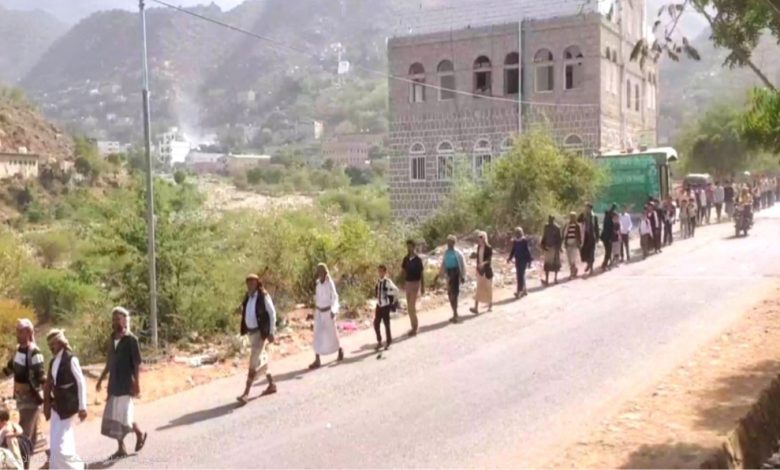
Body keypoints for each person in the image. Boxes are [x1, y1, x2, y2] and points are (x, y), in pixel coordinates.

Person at [96, 307, 148, 458]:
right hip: (114, 384)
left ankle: (139, 433)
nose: (116, 322)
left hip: (126, 383)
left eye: (118, 319)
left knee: (124, 416)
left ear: (125, 321)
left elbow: (136, 364)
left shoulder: (131, 340)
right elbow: (109, 362)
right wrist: (101, 379)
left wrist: (137, 383)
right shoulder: (112, 339)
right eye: (114, 319)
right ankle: (121, 448)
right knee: (114, 416)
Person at [43, 329, 87, 470]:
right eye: (49, 345)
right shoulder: (53, 362)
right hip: (56, 407)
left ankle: (79, 466)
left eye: (53, 344)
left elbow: (81, 382)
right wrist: (46, 405)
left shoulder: (71, 359)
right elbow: (49, 384)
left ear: (60, 343)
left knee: (59, 449)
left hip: (68, 406)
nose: (51, 348)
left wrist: (83, 407)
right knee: (56, 446)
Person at [231, 275, 277, 403]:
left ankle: (246, 393)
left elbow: (272, 313)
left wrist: (271, 332)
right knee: (261, 360)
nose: (250, 285)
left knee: (253, 362)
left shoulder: (263, 296)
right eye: (248, 283)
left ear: (257, 283)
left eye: (252, 283)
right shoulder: (248, 297)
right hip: (251, 334)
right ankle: (272, 384)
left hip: (260, 333)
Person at [2, 320, 45, 455]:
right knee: (31, 434)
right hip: (20, 399)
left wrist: (49, 399)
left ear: (28, 332)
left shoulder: (34, 352)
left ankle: (23, 461)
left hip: (31, 399)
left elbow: (41, 376)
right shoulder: (18, 350)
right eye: (17, 331)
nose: (18, 334)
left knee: (24, 435)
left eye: (20, 332)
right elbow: (9, 369)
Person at [310, 264, 344, 369]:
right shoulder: (318, 284)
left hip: (328, 313)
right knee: (317, 335)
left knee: (332, 334)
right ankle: (317, 359)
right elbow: (317, 298)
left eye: (322, 271)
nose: (320, 274)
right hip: (319, 313)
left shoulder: (329, 283)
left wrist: (334, 310)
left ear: (325, 272)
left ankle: (339, 349)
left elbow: (335, 297)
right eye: (318, 272)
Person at [439, 235, 466, 324]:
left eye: (450, 242)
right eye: (448, 242)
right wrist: (440, 274)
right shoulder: (446, 253)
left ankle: (455, 314)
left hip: (456, 274)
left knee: (454, 294)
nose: (448, 244)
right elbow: (444, 263)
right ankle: (454, 313)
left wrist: (463, 276)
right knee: (449, 294)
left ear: (454, 243)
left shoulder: (458, 253)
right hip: (449, 275)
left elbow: (462, 265)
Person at [401, 240, 424, 337]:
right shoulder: (406, 259)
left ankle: (415, 327)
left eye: (410, 246)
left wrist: (423, 286)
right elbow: (403, 271)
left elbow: (421, 273)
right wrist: (402, 282)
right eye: (408, 246)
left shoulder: (418, 259)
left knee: (411, 306)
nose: (409, 248)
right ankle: (413, 326)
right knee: (409, 307)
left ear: (414, 247)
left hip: (415, 283)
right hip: (408, 283)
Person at [374, 265, 399, 351]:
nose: (380, 273)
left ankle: (388, 342)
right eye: (379, 271)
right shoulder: (378, 281)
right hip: (379, 305)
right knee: (376, 323)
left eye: (381, 271)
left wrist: (388, 294)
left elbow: (396, 290)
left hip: (385, 305)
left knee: (386, 324)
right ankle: (379, 341)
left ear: (385, 272)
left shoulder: (388, 282)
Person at [470, 231, 493, 314]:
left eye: (481, 237)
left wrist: (483, 263)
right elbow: (478, 259)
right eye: (479, 237)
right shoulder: (479, 247)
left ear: (484, 238)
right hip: (480, 271)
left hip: (486, 271)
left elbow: (489, 260)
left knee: (488, 288)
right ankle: (476, 307)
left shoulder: (489, 247)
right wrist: (477, 268)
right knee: (478, 288)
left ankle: (490, 305)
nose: (479, 239)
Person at [507, 227, 533, 298]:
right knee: (521, 274)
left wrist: (529, 261)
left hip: (523, 260)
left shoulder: (524, 241)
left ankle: (519, 291)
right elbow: (513, 250)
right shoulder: (515, 241)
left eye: (519, 232)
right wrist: (509, 258)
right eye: (517, 232)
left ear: (521, 233)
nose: (518, 234)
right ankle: (524, 290)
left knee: (520, 275)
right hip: (517, 260)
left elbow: (527, 251)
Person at [578, 203, 599, 275]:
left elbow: (596, 227)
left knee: (591, 253)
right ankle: (588, 263)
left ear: (590, 209)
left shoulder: (594, 216)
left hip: (592, 236)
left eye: (587, 208)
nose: (586, 209)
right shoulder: (583, 215)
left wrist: (597, 237)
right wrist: (583, 214)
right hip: (585, 237)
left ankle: (591, 268)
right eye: (585, 208)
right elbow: (578, 220)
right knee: (584, 252)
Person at [541, 216, 562, 285]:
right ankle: (547, 280)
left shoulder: (557, 228)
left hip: (554, 248)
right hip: (547, 248)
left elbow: (559, 239)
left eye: (551, 220)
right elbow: (544, 237)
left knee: (556, 264)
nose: (550, 221)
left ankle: (555, 279)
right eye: (549, 220)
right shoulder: (546, 227)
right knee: (547, 265)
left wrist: (558, 248)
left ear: (553, 220)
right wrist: (543, 245)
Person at [562, 213, 582, 279]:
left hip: (574, 244)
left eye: (573, 217)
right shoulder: (567, 225)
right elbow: (564, 234)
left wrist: (579, 243)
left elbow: (580, 235)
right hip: (568, 244)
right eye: (571, 217)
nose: (572, 218)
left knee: (573, 260)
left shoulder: (577, 226)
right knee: (570, 260)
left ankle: (572, 274)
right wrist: (564, 242)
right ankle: (575, 269)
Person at [600, 204, 617, 270]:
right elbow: (609, 230)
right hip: (607, 238)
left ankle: (605, 264)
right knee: (608, 252)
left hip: (605, 237)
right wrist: (613, 207)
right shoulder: (609, 220)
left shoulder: (607, 218)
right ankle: (604, 265)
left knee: (608, 251)